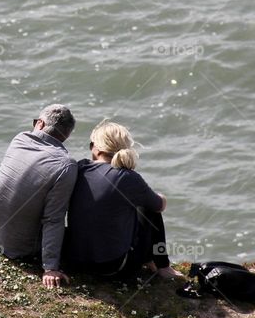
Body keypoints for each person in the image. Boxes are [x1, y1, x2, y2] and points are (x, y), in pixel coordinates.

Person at [62, 120, 182, 281]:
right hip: (113, 267)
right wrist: (160, 196)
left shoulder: (79, 168)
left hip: (76, 261)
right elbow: (159, 206)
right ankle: (163, 266)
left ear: (95, 148)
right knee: (148, 209)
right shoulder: (127, 177)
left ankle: (151, 261)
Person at [0, 104, 78, 289]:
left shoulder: (20, 139)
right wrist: (50, 267)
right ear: (67, 135)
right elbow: (53, 219)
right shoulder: (66, 165)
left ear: (40, 124)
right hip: (17, 246)